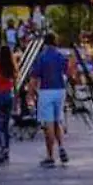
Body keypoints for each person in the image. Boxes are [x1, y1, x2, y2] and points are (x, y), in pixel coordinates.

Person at [30, 33, 71, 168]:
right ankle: (62, 147)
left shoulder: (41, 57)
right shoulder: (61, 56)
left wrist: (31, 94)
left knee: (48, 124)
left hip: (46, 90)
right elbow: (67, 72)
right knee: (57, 119)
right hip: (60, 89)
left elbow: (35, 77)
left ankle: (50, 155)